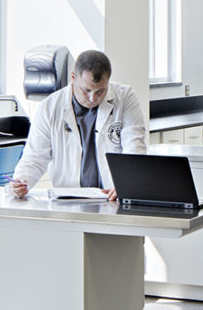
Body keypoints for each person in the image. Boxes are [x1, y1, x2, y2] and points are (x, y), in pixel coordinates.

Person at [10, 49, 149, 202]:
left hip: (113, 197)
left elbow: (134, 145)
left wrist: (127, 182)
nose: (92, 98)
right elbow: (35, 156)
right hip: (68, 199)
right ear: (73, 77)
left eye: (100, 91)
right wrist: (21, 181)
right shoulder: (50, 107)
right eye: (86, 90)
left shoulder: (124, 97)